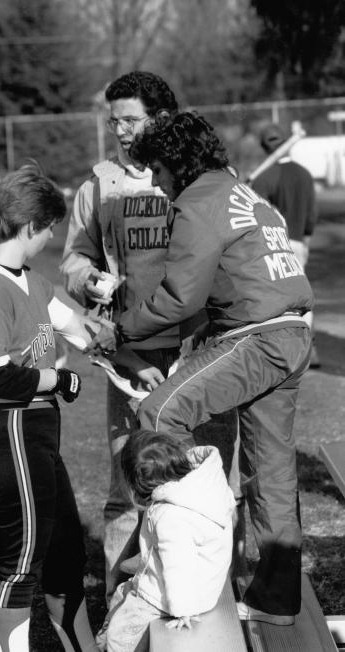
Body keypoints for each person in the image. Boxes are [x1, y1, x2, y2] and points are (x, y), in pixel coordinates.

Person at [90, 111, 314, 625]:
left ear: (175, 163)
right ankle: (275, 600)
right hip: (294, 331)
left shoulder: (197, 201)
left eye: (160, 173)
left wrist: (119, 330)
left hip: (256, 337)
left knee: (158, 413)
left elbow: (177, 298)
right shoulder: (245, 193)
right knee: (270, 469)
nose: (161, 186)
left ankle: (180, 561)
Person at [61, 71, 237, 606]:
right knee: (128, 487)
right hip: (132, 356)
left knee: (210, 480)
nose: (120, 131)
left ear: (161, 118)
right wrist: (87, 278)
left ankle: (209, 599)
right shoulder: (98, 184)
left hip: (204, 350)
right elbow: (74, 257)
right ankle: (124, 602)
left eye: (131, 120)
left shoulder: (206, 176)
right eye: (114, 121)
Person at [0, 165, 99, 652]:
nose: (52, 238)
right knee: (22, 562)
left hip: (37, 433)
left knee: (65, 556)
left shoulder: (29, 282)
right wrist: (56, 377)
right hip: (9, 430)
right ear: (32, 226)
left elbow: (74, 326)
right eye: (51, 228)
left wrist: (109, 321)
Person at [100, 430, 235, 652]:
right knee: (122, 592)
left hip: (173, 598)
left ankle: (112, 646)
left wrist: (182, 609)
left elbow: (179, 566)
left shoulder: (170, 516)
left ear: (138, 484)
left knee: (121, 634)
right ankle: (145, 563)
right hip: (207, 585)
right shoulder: (203, 485)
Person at [252, 122, 320, 367]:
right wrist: (306, 240)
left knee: (277, 301)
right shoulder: (304, 173)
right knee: (302, 298)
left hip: (271, 246)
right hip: (299, 242)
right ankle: (306, 348)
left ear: (263, 146)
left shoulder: (262, 178)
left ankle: (284, 351)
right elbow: (311, 214)